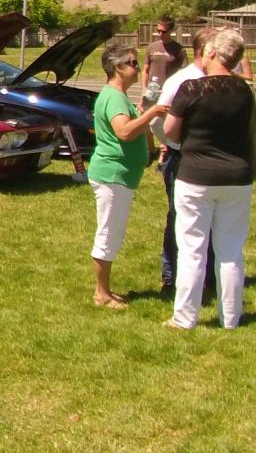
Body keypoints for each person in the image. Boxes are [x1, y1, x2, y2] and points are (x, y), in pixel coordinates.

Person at [163, 29, 253, 330]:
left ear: (212, 53)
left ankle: (184, 317)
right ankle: (231, 318)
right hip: (237, 178)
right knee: (230, 250)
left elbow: (171, 131)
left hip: (196, 177)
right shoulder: (245, 91)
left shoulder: (191, 88)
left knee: (192, 250)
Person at [88, 45, 168, 309]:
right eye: (133, 63)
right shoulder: (113, 98)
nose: (137, 67)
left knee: (113, 231)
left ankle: (106, 290)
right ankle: (101, 293)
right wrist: (151, 114)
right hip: (113, 174)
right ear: (118, 68)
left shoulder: (119, 97)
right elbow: (123, 132)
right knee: (109, 232)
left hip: (121, 175)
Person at [151, 27, 217, 295]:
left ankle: (207, 279)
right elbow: (157, 122)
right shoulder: (182, 81)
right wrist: (177, 144)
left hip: (211, 160)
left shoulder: (219, 79)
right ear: (205, 51)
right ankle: (172, 277)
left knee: (211, 220)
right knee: (181, 220)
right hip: (183, 159)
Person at [140, 17, 186, 103]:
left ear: (171, 31)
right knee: (148, 113)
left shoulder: (179, 49)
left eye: (164, 31)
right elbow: (145, 71)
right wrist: (143, 90)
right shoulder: (151, 47)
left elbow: (184, 74)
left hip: (169, 90)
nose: (160, 34)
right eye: (158, 31)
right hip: (152, 90)